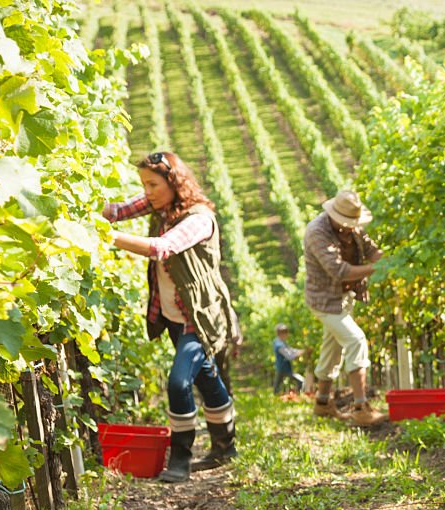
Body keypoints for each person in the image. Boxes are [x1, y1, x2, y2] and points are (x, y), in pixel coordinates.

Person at [102, 151, 242, 483]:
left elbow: (162, 248)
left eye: (152, 184)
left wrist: (106, 237)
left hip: (200, 316)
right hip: (173, 315)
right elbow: (119, 211)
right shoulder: (162, 205)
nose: (146, 192)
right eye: (143, 185)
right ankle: (225, 446)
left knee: (179, 382)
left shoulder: (198, 218)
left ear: (173, 181)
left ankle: (180, 457)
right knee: (206, 377)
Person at [303, 189, 387, 426]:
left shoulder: (353, 227)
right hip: (324, 300)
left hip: (344, 297)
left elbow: (371, 251)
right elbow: (339, 271)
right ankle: (361, 408)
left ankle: (322, 403)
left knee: (332, 348)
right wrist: (376, 269)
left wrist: (392, 261)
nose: (352, 227)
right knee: (355, 340)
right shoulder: (316, 233)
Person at [273, 323, 306, 394]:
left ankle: (277, 395)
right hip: (283, 368)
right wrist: (300, 353)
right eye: (285, 333)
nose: (287, 335)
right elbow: (289, 356)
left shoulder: (280, 342)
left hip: (284, 367)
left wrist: (301, 351)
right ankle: (298, 394)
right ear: (281, 334)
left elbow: (290, 349)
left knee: (277, 385)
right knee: (301, 381)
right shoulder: (279, 345)